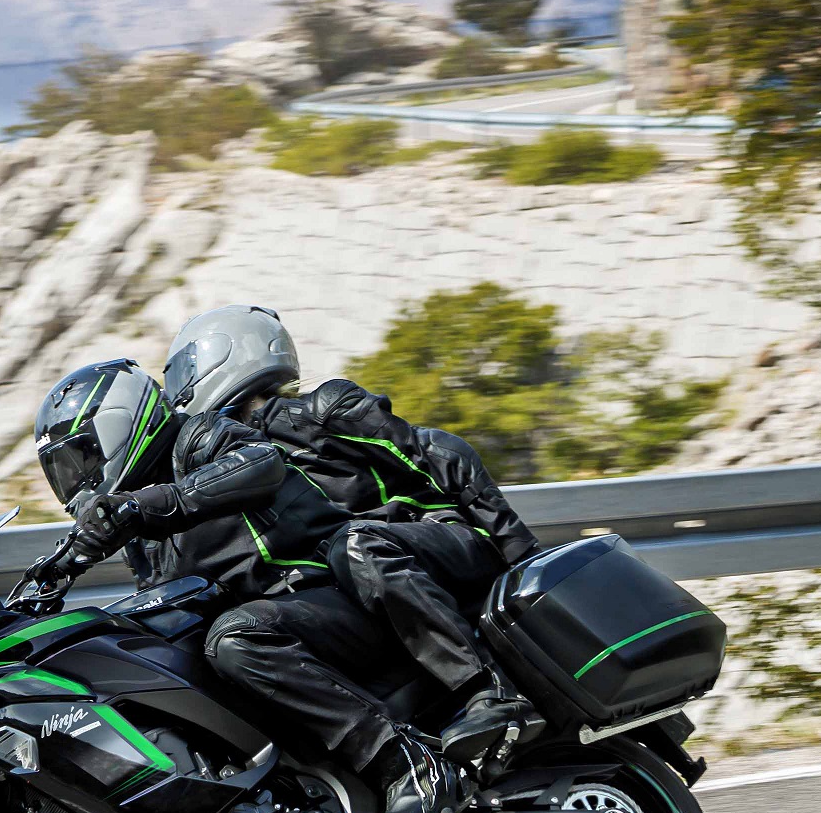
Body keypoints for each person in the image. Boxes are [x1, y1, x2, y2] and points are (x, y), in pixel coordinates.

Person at [29, 358, 450, 813]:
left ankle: (406, 764)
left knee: (235, 639)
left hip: (335, 600)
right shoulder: (139, 535)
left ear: (118, 426)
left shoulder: (196, 439)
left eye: (80, 457)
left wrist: (147, 504)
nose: (76, 480)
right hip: (284, 641)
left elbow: (260, 463)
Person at [161, 304, 544, 761]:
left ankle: (488, 688)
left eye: (184, 371)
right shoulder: (234, 467)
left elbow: (444, 452)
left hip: (447, 544)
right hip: (378, 581)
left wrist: (522, 556)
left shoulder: (318, 412)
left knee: (357, 542)